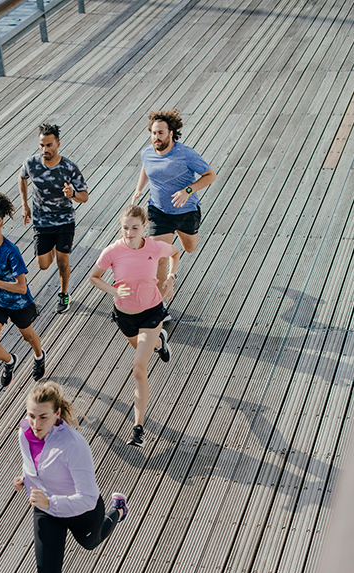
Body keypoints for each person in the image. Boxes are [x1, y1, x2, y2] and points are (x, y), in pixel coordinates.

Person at [14, 381, 129, 573]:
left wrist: (52, 500)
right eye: (30, 415)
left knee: (90, 544)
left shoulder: (74, 445)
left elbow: (88, 498)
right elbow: (33, 468)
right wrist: (26, 482)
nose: (35, 423)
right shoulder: (24, 433)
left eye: (42, 417)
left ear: (57, 415)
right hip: (46, 512)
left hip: (82, 513)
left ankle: (117, 510)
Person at [89, 205, 180, 447]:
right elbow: (93, 276)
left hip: (151, 311)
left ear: (144, 227)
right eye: (125, 228)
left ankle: (138, 428)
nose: (129, 233)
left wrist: (170, 278)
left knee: (138, 367)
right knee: (144, 349)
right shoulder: (112, 251)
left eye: (134, 228)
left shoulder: (154, 247)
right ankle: (160, 342)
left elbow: (176, 252)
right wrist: (113, 289)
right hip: (124, 316)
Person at [131, 108, 216, 308]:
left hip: (186, 211)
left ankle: (175, 250)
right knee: (158, 258)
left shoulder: (186, 155)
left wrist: (188, 190)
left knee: (190, 248)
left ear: (171, 133)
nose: (156, 137)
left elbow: (210, 176)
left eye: (160, 133)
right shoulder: (147, 152)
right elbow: (146, 166)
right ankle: (160, 304)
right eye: (153, 133)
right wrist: (138, 189)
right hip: (158, 211)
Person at [0, 192, 46, 387]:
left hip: (18, 303)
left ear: (0, 222)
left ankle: (39, 356)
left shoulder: (11, 251)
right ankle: (10, 361)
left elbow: (21, 288)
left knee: (28, 336)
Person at [18, 122, 88, 314]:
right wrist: (25, 205)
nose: (44, 149)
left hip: (65, 221)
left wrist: (71, 194)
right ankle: (54, 247)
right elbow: (22, 177)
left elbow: (84, 196)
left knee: (63, 261)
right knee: (43, 265)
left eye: (49, 145)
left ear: (57, 144)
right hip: (42, 223)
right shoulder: (31, 163)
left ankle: (64, 294)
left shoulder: (69, 167)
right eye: (42, 145)